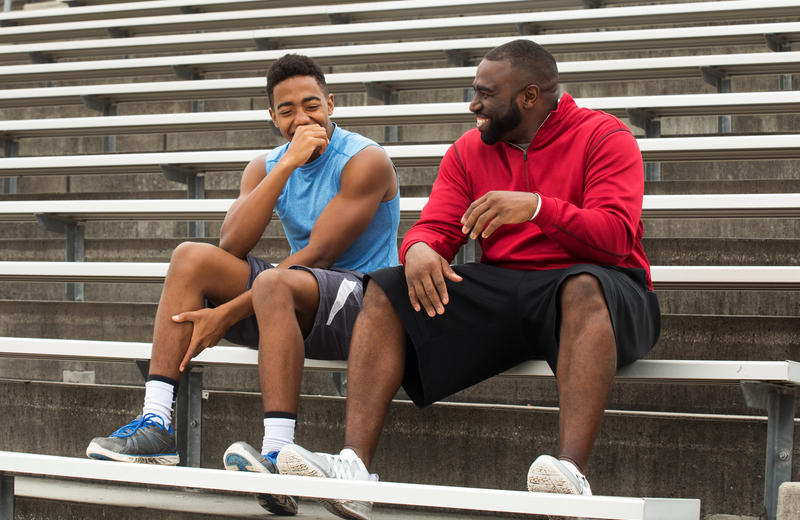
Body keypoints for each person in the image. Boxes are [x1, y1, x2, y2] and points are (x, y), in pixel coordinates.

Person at [274, 39, 661, 520]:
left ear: (529, 96)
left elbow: (616, 237)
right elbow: (435, 227)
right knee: (387, 287)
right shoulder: (469, 150)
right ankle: (353, 470)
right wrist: (417, 251)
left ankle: (571, 476)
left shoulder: (605, 136)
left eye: (485, 94)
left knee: (581, 285)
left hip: (608, 287)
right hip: (509, 286)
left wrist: (538, 207)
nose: (473, 105)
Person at [85, 53, 400, 516]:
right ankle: (156, 424)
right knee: (190, 258)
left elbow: (320, 256)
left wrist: (228, 312)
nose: (302, 118)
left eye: (312, 105)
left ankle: (276, 453)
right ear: (273, 118)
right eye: (287, 110)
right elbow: (231, 242)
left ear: (331, 104)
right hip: (296, 296)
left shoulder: (365, 160)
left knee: (274, 282)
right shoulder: (268, 164)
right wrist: (287, 165)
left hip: (366, 306)